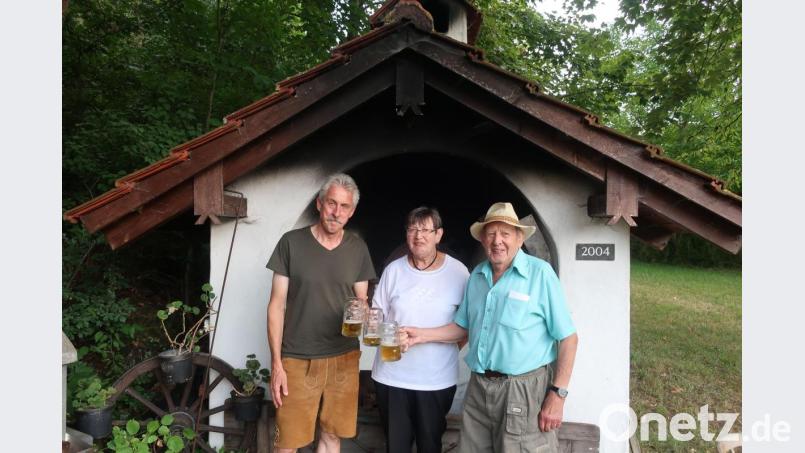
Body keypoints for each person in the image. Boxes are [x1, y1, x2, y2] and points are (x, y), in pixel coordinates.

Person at [402, 202, 579, 453]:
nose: (498, 241)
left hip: (522, 389)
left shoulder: (540, 275)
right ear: (483, 240)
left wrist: (558, 394)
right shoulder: (477, 276)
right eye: (491, 234)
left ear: (519, 239)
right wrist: (420, 335)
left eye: (505, 234)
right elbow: (462, 328)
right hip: (479, 388)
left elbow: (569, 338)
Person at [266, 173, 376, 453]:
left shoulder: (357, 248)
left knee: (332, 437)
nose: (336, 212)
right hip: (297, 358)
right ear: (319, 203)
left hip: (344, 358)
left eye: (344, 207)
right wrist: (277, 364)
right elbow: (276, 305)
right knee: (287, 442)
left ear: (351, 213)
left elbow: (362, 300)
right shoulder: (291, 243)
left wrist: (366, 313)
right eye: (331, 203)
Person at [371, 207, 470, 453]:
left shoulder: (459, 272)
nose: (419, 236)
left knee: (429, 446)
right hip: (391, 378)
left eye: (426, 230)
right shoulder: (394, 270)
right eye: (413, 229)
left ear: (439, 234)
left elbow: (467, 327)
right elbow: (374, 319)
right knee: (396, 447)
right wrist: (392, 337)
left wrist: (423, 337)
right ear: (406, 234)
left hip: (436, 380)